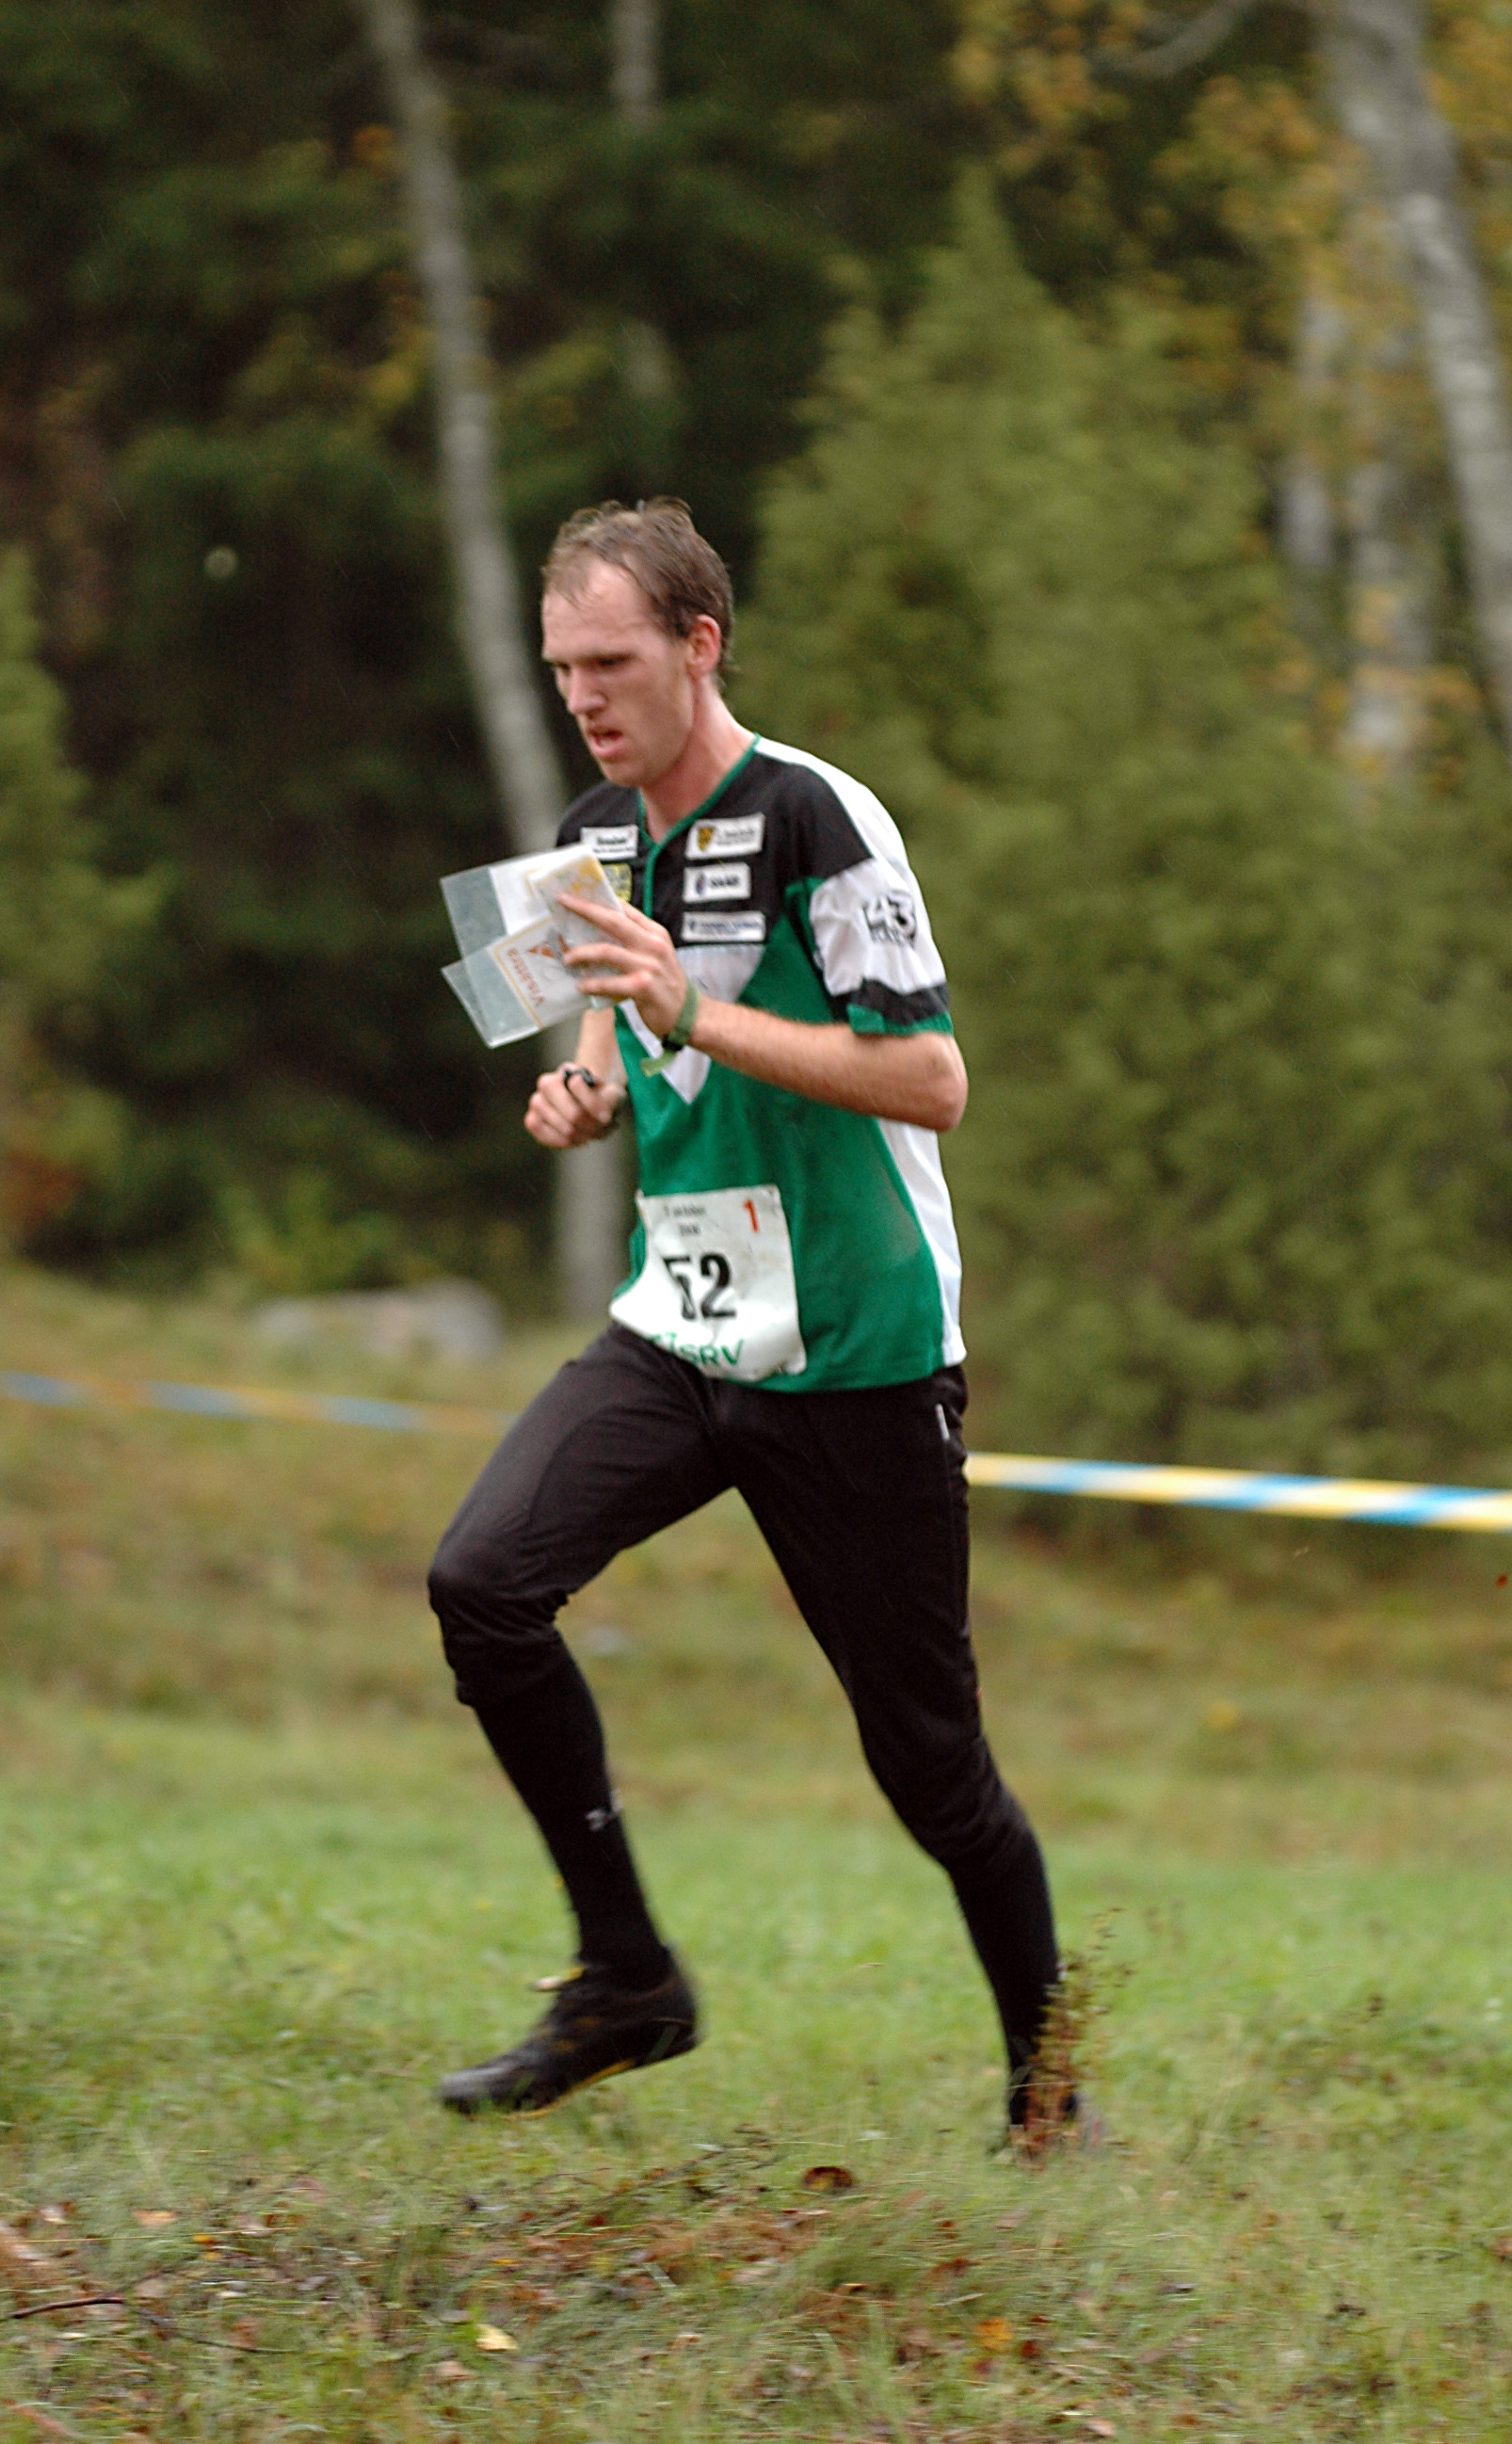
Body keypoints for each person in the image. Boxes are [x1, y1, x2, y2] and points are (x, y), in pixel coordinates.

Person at [427, 499, 1071, 2141]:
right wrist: (584, 1088)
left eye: (613, 662)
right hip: (683, 1326)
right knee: (482, 1586)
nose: (584, 696)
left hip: (856, 1350)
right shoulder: (589, 832)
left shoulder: (813, 815)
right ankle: (627, 1981)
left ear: (700, 646)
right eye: (562, 667)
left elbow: (933, 1079)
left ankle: (1050, 2100)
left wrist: (693, 1011)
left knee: (932, 1770)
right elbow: (596, 1022)